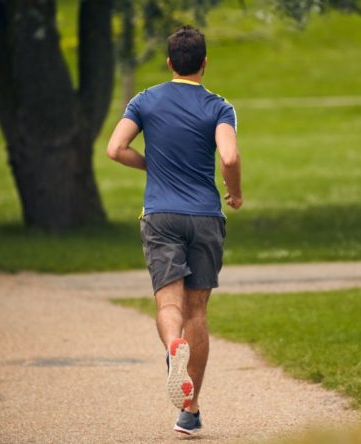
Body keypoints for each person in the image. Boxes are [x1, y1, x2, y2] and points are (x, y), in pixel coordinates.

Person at [106, 25, 242, 436]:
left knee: (170, 303)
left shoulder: (145, 100)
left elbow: (115, 149)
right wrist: (233, 193)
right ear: (204, 63)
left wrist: (151, 164)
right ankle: (190, 410)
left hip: (161, 215)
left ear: (169, 63)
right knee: (197, 312)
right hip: (204, 216)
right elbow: (230, 156)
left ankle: (172, 348)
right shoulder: (219, 107)